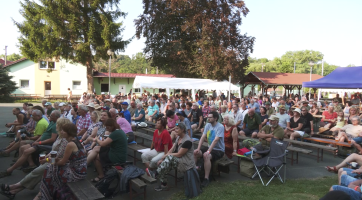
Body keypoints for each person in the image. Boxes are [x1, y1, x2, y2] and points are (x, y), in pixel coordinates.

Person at [0, 118, 72, 198]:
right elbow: (54, 151)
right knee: (36, 172)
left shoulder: (65, 140)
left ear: (61, 126)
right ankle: (13, 190)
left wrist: (46, 159)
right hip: (53, 160)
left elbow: (59, 157)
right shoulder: (60, 136)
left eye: (57, 124)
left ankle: (13, 187)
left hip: (59, 164)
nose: (56, 126)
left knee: (37, 172)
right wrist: (47, 156)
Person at [0, 111, 60, 178]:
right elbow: (44, 134)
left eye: (51, 116)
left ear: (57, 117)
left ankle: (10, 170)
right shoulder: (52, 122)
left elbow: (52, 139)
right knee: (23, 146)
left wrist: (38, 142)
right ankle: (26, 164)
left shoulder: (55, 125)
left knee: (25, 149)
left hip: (46, 145)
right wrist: (36, 141)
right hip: (40, 142)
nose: (49, 116)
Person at [36, 123, 87, 200]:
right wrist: (49, 160)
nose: (61, 132)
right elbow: (62, 160)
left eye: (63, 131)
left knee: (51, 169)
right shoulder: (75, 140)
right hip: (80, 170)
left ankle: (45, 195)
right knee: (51, 168)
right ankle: (45, 194)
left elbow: (62, 162)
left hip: (77, 173)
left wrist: (48, 161)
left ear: (68, 132)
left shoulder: (70, 144)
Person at [147, 123, 197, 192]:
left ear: (182, 130)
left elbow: (179, 154)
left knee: (169, 158)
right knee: (165, 165)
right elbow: (172, 149)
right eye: (175, 128)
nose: (175, 130)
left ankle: (156, 174)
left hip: (185, 163)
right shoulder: (179, 137)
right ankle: (164, 185)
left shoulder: (187, 141)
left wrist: (166, 156)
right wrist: (162, 158)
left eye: (177, 128)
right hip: (178, 160)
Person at [193, 112, 224, 188]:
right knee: (195, 152)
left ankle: (206, 178)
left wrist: (208, 151)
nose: (208, 118)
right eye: (208, 117)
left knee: (206, 156)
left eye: (210, 117)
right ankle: (193, 173)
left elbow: (216, 140)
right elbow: (202, 137)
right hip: (210, 147)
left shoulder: (220, 126)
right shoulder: (207, 125)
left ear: (215, 118)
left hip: (219, 150)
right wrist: (198, 148)